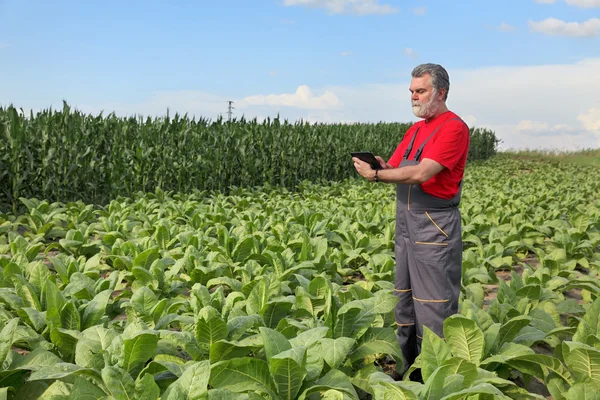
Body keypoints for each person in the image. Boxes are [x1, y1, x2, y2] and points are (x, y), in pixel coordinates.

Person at [353, 63, 470, 379]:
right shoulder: (416, 129)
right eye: (411, 92)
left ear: (440, 92)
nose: (414, 97)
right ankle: (405, 371)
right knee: (404, 301)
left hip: (433, 224)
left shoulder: (453, 128)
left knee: (433, 304)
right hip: (406, 223)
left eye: (421, 91)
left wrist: (377, 175)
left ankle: (433, 376)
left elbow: (421, 172)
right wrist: (381, 165)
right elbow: (397, 165)